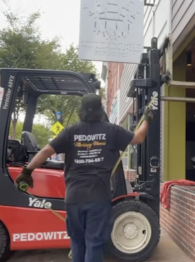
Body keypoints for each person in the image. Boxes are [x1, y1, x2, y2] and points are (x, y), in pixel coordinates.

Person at [14, 93, 155, 262]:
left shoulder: (70, 131)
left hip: (74, 198)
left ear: (81, 110)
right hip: (98, 198)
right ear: (100, 110)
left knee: (77, 243)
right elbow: (138, 137)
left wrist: (27, 171)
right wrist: (147, 118)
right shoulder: (111, 130)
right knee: (94, 244)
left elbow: (45, 151)